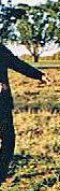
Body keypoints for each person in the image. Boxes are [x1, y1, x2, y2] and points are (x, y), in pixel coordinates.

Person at [0, 44, 50, 182]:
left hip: (2, 103)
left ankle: (1, 173)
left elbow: (17, 63)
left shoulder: (0, 49)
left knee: (9, 139)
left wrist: (39, 75)